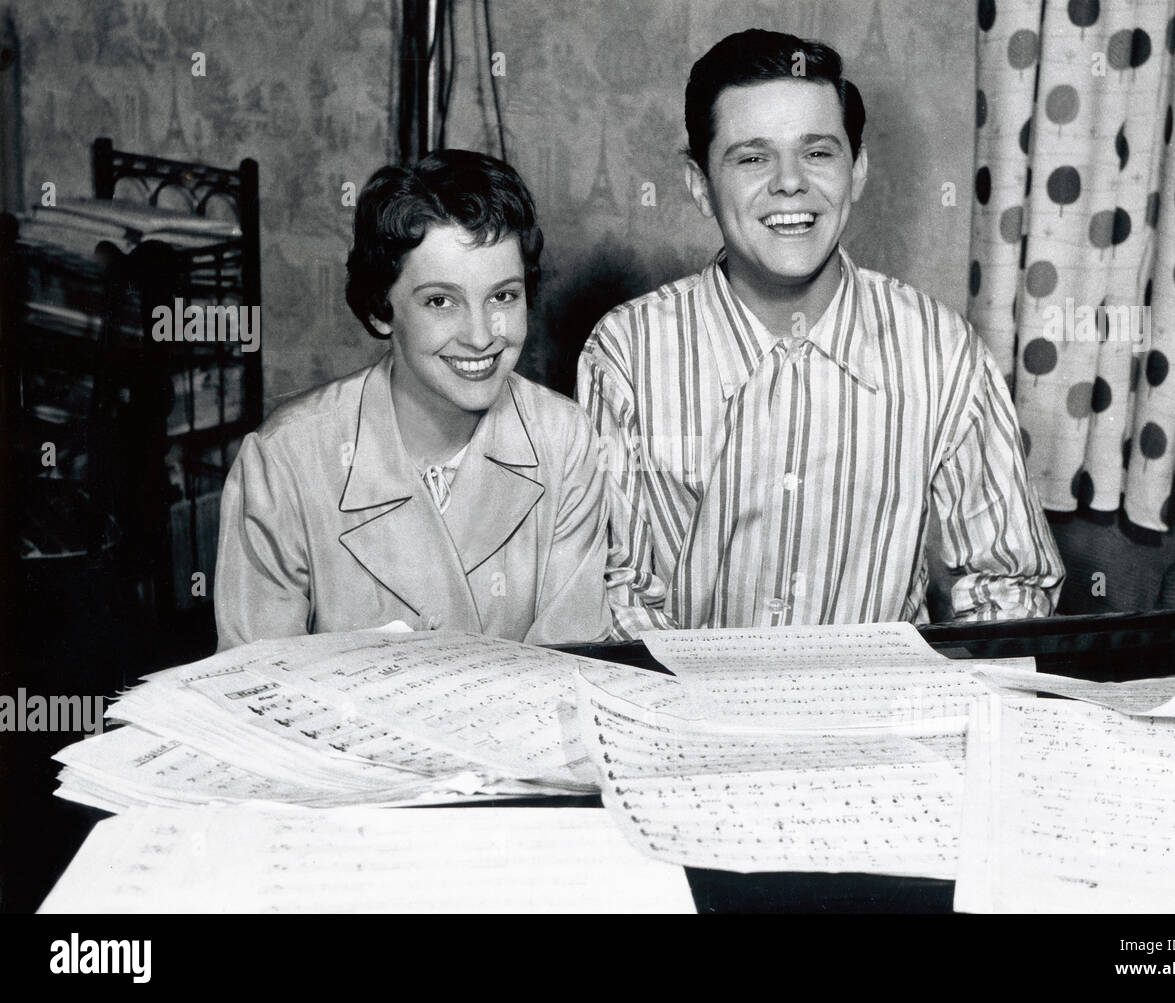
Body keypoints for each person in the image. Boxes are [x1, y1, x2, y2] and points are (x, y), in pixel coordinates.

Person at [576, 29, 1065, 637]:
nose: (790, 182)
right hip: (690, 713)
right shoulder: (625, 354)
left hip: (880, 714)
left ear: (856, 170)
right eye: (752, 157)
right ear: (699, 184)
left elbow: (1010, 589)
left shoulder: (943, 351)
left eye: (817, 152)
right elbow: (616, 591)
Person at [215, 150, 611, 650]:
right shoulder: (285, 461)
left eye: (503, 296)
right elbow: (255, 688)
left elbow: (572, 668)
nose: (480, 335)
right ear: (382, 309)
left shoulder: (565, 440)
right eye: (440, 301)